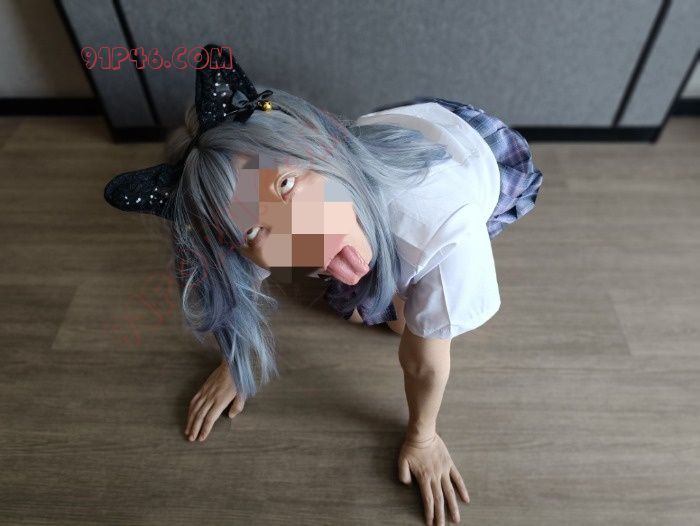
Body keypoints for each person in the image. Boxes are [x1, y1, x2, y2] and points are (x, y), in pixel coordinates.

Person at [104, 44, 543, 526]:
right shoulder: (298, 196)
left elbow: (424, 361)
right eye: (253, 231)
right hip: (405, 134)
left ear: (317, 147)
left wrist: (423, 437)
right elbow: (242, 265)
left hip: (468, 152)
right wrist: (237, 357)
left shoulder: (444, 231)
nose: (299, 230)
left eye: (286, 186)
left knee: (401, 325)